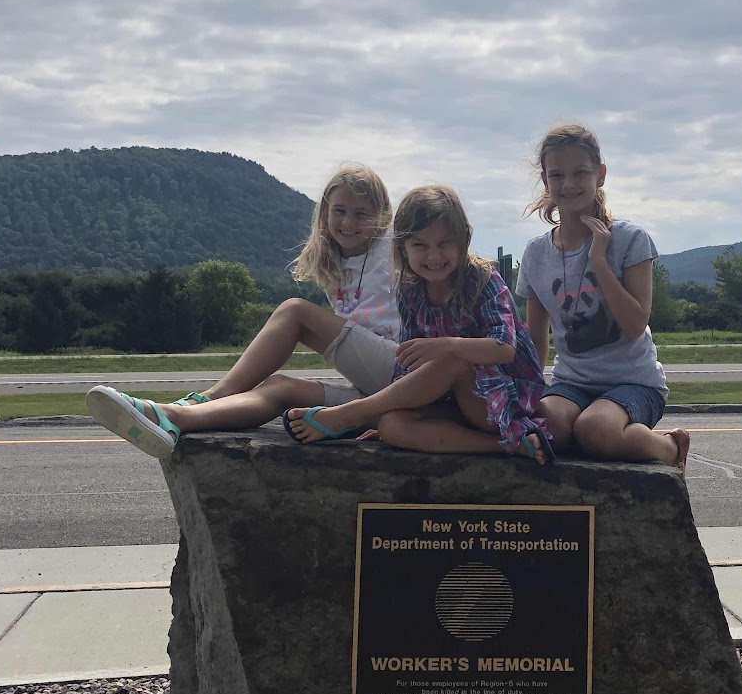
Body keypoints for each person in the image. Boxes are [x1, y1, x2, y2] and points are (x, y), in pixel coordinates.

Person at [84, 163, 401, 458]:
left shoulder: (394, 250)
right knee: (279, 387)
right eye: (339, 211)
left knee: (295, 312)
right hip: (381, 396)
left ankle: (210, 396)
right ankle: (174, 418)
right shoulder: (337, 266)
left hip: (404, 375)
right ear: (325, 214)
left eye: (361, 214)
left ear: (383, 216)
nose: (348, 222)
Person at [286, 184, 555, 464]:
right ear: (403, 249)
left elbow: (505, 348)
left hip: (502, 399)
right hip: (452, 402)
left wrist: (447, 346)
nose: (434, 256)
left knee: (453, 359)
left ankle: (354, 413)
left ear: (463, 239)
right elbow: (408, 363)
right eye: (420, 245)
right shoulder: (409, 289)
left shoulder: (483, 280)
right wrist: (400, 407)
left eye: (445, 243)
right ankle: (513, 445)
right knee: (391, 426)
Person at [517, 122, 689, 471]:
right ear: (545, 181)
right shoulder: (536, 254)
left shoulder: (630, 239)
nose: (568, 184)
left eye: (580, 172)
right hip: (572, 384)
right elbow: (536, 339)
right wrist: (527, 394)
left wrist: (599, 260)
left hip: (633, 383)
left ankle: (671, 447)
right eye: (557, 174)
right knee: (546, 426)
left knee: (595, 430)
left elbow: (635, 326)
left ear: (601, 175)